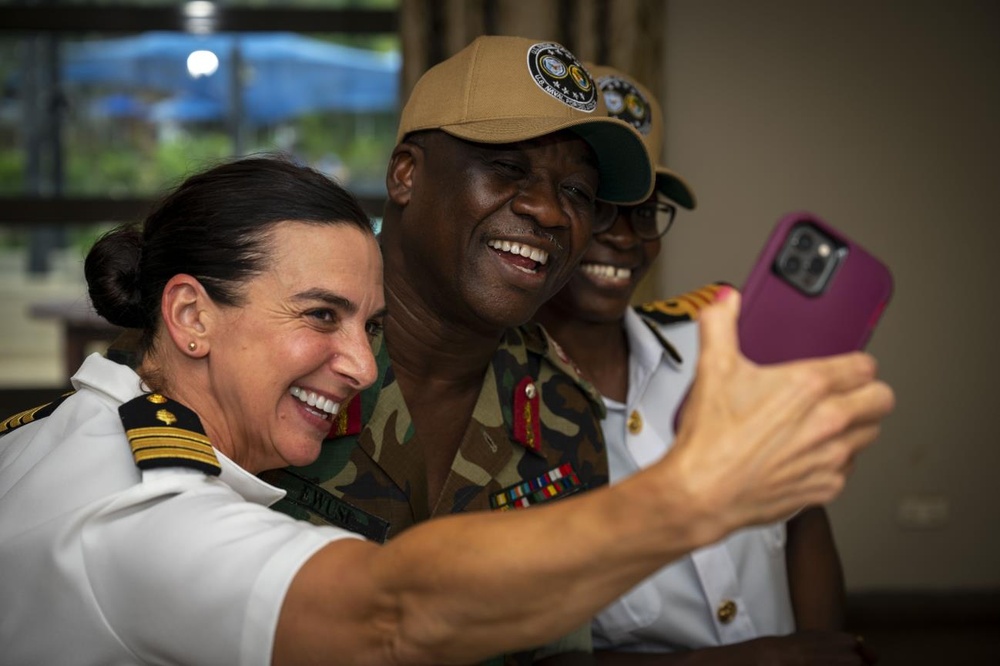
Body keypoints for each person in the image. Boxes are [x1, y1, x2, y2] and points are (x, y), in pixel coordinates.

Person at [0, 154, 892, 666]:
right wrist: (697, 495)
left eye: (371, 325)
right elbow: (390, 616)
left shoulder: (69, 429)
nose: (357, 364)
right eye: (319, 316)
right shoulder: (141, 511)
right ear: (191, 316)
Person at [262, 36, 892, 665]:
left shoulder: (562, 410)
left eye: (579, 193)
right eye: (508, 169)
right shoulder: (278, 341)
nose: (550, 212)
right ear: (406, 173)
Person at [534, 66, 879, 665]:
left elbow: (801, 520)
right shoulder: (505, 400)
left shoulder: (720, 346)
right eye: (601, 206)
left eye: (646, 212)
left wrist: (818, 648)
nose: (625, 237)